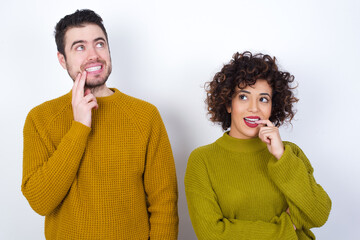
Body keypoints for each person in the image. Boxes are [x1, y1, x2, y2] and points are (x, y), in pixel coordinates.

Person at [21, 9, 178, 240]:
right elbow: (40, 201)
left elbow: (164, 204)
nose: (93, 55)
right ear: (62, 60)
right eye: (80, 47)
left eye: (99, 44)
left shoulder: (146, 116)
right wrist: (79, 127)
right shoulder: (41, 118)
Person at [184, 51, 331, 239]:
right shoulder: (202, 160)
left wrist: (281, 156)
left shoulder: (289, 153)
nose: (254, 108)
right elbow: (212, 234)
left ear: (273, 107)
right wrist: (286, 228)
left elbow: (319, 214)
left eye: (263, 99)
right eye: (243, 97)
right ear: (229, 104)